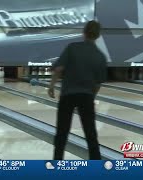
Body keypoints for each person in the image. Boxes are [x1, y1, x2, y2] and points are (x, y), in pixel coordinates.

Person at [48, 20, 107, 160]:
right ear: (98, 35)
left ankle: (57, 162)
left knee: (62, 132)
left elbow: (59, 68)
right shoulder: (100, 56)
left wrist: (51, 86)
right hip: (86, 96)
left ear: (84, 32)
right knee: (90, 133)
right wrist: (91, 97)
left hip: (68, 95)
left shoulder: (72, 47)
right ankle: (96, 164)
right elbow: (98, 83)